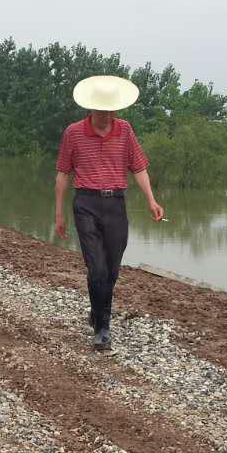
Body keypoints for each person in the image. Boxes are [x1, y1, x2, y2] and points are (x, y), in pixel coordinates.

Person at [54, 75, 164, 351]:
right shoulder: (73, 133)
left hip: (115, 204)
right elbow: (63, 174)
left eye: (111, 110)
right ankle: (102, 328)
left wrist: (151, 200)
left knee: (112, 270)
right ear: (91, 108)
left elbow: (139, 168)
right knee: (97, 268)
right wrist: (59, 213)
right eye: (102, 110)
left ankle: (97, 310)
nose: (107, 115)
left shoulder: (125, 130)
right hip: (86, 204)